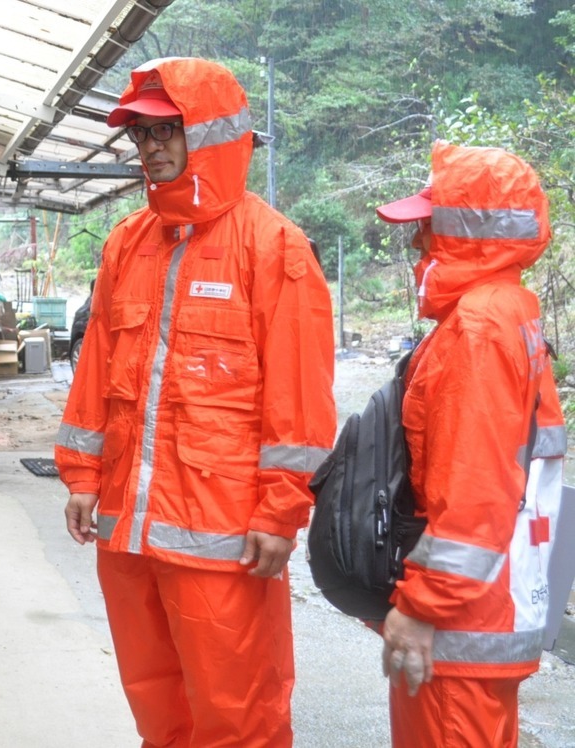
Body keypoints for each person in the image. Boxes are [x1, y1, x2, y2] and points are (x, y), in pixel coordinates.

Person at [54, 58, 336, 747]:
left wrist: (281, 510)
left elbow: (299, 403)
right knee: (158, 706)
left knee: (238, 713)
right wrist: (83, 477)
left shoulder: (273, 248)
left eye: (168, 130)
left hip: (224, 535)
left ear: (209, 134)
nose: (151, 147)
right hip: (129, 533)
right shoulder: (127, 243)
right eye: (142, 134)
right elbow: (96, 373)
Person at [375, 140, 567, 748]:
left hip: (460, 626)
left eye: (426, 230)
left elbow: (477, 490)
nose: (416, 248)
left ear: (461, 231)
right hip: (494, 605)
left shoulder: (477, 329)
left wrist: (424, 606)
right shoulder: (508, 311)